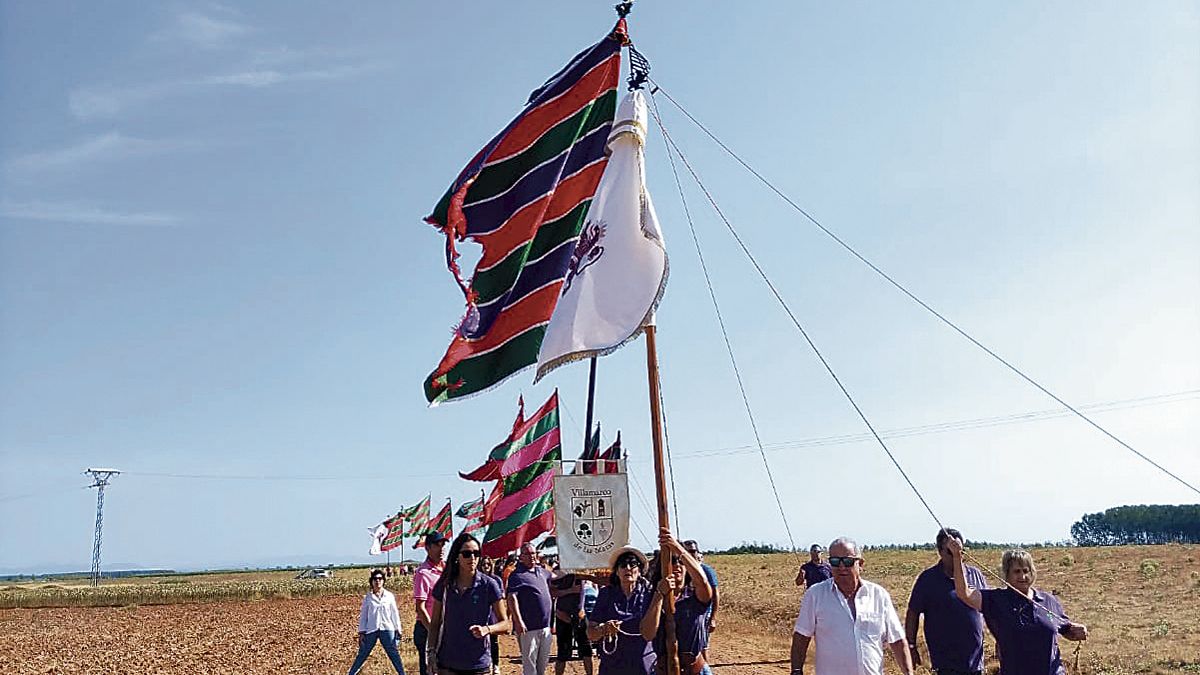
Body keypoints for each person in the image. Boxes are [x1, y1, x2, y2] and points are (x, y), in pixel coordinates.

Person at [946, 538, 1088, 675]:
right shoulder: (996, 600)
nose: (1023, 576)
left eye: (1026, 571)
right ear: (1006, 574)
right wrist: (957, 558)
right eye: (1017, 571)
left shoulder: (1048, 601)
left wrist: (1077, 631)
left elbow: (1065, 629)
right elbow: (964, 593)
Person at [790, 537, 914, 675]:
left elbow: (897, 640)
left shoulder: (879, 595)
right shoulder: (815, 595)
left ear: (860, 563)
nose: (841, 567)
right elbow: (801, 637)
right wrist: (796, 671)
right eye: (835, 562)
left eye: (847, 561)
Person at [905, 528, 989, 675]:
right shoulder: (928, 579)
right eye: (951, 552)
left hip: (975, 663)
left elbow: (988, 610)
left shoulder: (975, 575)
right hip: (945, 664)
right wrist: (911, 646)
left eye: (961, 551)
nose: (957, 556)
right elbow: (913, 613)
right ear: (940, 551)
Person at [428, 532, 511, 675]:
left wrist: (487, 629)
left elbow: (506, 624)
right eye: (466, 554)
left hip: (478, 664)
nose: (472, 558)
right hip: (447, 664)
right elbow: (435, 623)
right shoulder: (445, 585)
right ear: (457, 557)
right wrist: (430, 654)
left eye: (476, 553)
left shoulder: (489, 585)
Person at [643, 529, 714, 675]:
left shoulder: (695, 596)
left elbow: (702, 581)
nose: (677, 566)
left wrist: (677, 548)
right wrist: (659, 595)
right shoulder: (653, 597)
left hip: (695, 670)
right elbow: (647, 633)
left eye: (680, 562)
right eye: (672, 561)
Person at [587, 546, 655, 675]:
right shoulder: (606, 594)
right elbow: (591, 633)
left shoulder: (651, 595)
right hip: (612, 665)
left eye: (633, 564)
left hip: (644, 665)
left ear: (640, 571)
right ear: (617, 571)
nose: (628, 568)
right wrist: (603, 629)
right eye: (623, 565)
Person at [346, 568, 406, 675]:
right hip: (372, 629)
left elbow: (394, 613)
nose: (377, 581)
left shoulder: (389, 596)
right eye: (375, 579)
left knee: (393, 653)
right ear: (371, 581)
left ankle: (402, 673)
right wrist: (361, 632)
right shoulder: (368, 598)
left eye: (380, 578)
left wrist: (398, 629)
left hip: (387, 628)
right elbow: (364, 616)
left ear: (383, 580)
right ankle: (351, 673)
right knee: (363, 653)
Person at [507, 542, 555, 675]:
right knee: (530, 666)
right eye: (527, 554)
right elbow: (512, 598)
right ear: (521, 557)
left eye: (533, 553)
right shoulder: (516, 575)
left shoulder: (543, 572)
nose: (531, 556)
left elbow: (558, 578)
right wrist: (518, 621)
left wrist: (576, 571)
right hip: (528, 628)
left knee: (542, 665)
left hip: (545, 626)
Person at [550, 563, 597, 675]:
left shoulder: (579, 568)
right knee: (563, 651)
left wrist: (581, 608)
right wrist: (570, 591)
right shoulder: (557, 571)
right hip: (563, 614)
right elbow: (551, 591)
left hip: (579, 614)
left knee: (586, 649)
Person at [414, 531, 450, 675]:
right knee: (430, 669)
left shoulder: (447, 570)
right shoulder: (423, 573)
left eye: (443, 545)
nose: (441, 548)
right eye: (437, 545)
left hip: (444, 627)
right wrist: (432, 631)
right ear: (427, 548)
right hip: (426, 628)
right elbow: (420, 608)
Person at [680, 540, 719, 649]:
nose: (690, 554)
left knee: (702, 648)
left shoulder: (706, 570)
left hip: (703, 614)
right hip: (687, 616)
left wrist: (712, 618)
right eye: (686, 552)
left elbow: (715, 594)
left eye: (693, 551)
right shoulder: (681, 571)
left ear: (698, 552)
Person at [480, 556, 505, 675]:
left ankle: (496, 664)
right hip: (481, 615)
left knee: (493, 641)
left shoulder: (496, 580)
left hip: (493, 615)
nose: (486, 566)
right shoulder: (477, 579)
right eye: (484, 564)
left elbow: (501, 596)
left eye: (488, 564)